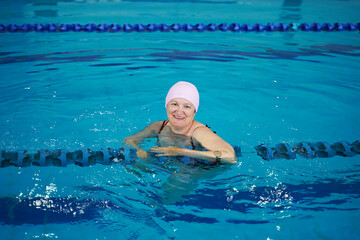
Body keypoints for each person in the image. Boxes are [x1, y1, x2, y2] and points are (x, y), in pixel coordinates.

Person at [123, 81, 237, 165]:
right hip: (170, 163)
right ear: (166, 105)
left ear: (194, 112)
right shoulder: (159, 127)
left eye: (187, 106)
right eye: (174, 104)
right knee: (130, 163)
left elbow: (230, 157)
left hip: (200, 167)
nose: (179, 111)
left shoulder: (199, 132)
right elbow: (129, 140)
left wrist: (179, 151)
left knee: (179, 180)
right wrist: (139, 150)